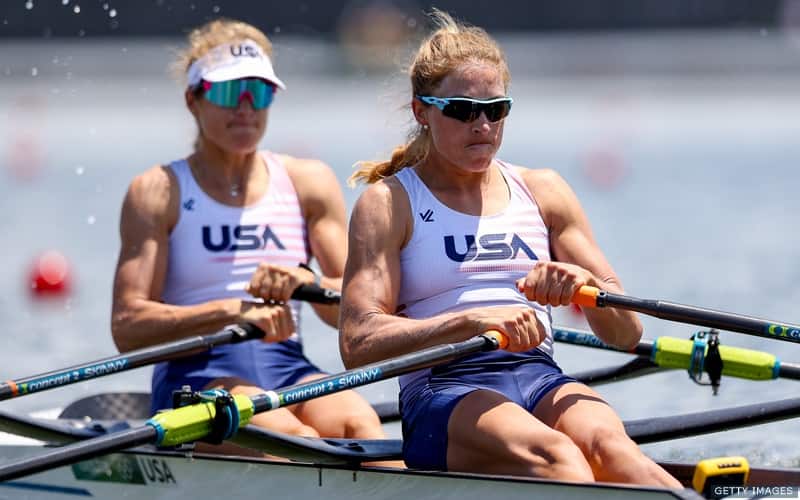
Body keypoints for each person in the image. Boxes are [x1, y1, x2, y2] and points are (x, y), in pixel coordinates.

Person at [339, 11, 681, 487]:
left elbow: (626, 333)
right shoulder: (389, 203)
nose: (482, 124)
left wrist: (586, 289)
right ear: (422, 112)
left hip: (539, 375)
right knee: (559, 458)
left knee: (616, 452)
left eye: (496, 109)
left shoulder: (544, 190)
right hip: (445, 388)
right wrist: (470, 322)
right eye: (463, 110)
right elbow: (357, 342)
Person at [111, 18, 384, 443]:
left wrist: (308, 284)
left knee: (361, 428)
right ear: (193, 100)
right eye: (227, 92)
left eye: (258, 92)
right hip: (196, 375)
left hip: (286, 367)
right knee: (294, 439)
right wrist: (230, 312)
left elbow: (355, 311)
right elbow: (128, 327)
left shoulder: (307, 182)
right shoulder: (158, 191)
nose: (245, 108)